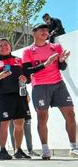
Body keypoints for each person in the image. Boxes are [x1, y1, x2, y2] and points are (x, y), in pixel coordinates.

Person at [22, 23, 76, 159]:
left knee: (70, 114)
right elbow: (27, 71)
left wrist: (62, 61)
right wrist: (44, 64)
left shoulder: (55, 47)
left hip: (58, 84)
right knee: (42, 118)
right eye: (42, 29)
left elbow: (62, 67)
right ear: (33, 32)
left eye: (47, 30)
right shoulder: (28, 51)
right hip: (40, 86)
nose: (45, 32)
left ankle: (74, 147)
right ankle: (45, 150)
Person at [0, 38, 31, 160]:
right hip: (4, 97)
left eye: (5, 44)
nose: (3, 46)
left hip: (20, 96)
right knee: (4, 123)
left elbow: (29, 78)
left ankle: (18, 150)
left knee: (19, 123)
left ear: (10, 47)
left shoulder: (19, 60)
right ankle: (3, 150)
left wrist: (25, 79)